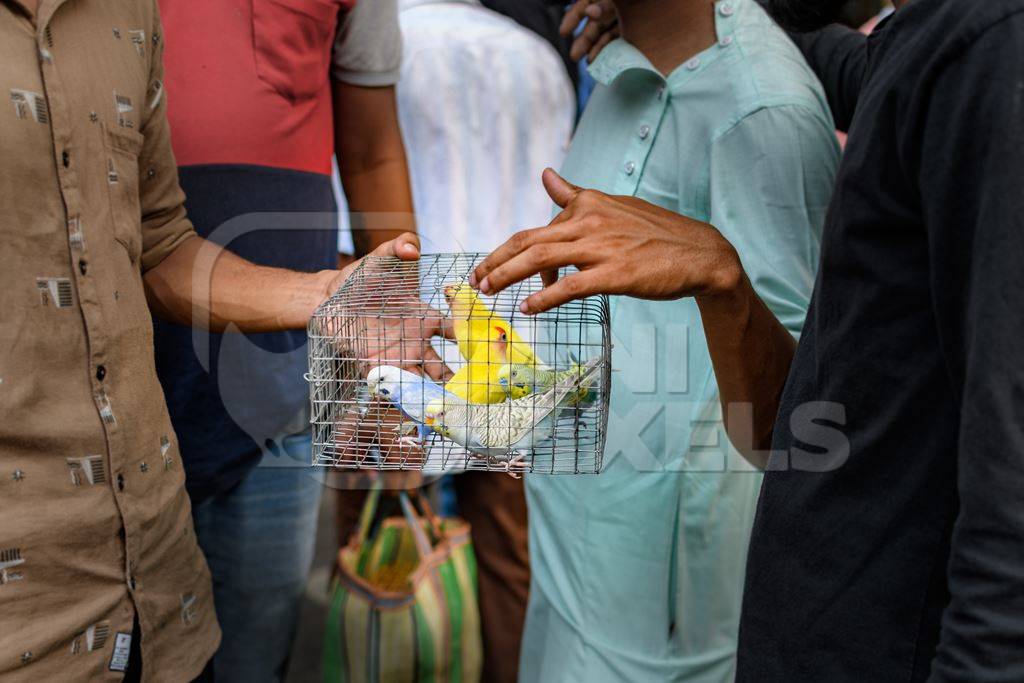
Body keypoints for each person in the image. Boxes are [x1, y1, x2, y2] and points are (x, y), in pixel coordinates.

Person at [474, 0, 1024, 679]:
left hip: (716, 632)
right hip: (592, 587)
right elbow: (886, 68)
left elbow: (996, 516)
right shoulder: (932, 50)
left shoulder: (978, 55)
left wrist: (722, 277)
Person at [0, 0, 426, 680]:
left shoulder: (121, 17)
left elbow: (160, 239)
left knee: (238, 651)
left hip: (257, 404)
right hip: (57, 458)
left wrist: (344, 311)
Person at [472, 0, 840, 679]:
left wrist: (721, 279)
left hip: (663, 631)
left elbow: (802, 428)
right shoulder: (617, 60)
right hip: (572, 571)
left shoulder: (765, 111)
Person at [152, 0, 417, 678]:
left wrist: (399, 364)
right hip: (109, 407)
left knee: (252, 656)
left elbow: (372, 148)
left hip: (275, 399)